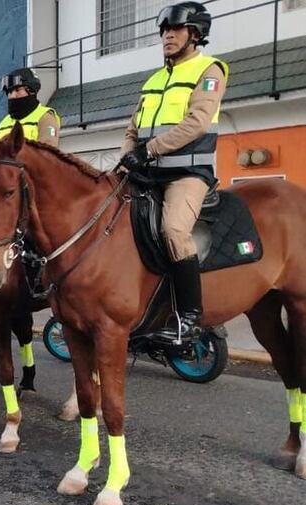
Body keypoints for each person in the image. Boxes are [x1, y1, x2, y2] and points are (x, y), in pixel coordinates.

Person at [120, 2, 226, 345]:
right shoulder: (153, 80)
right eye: (165, 31)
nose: (168, 35)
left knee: (173, 230)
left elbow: (196, 123)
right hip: (148, 175)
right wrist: (127, 158)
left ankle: (190, 318)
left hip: (187, 174)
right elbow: (132, 130)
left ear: (194, 35)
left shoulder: (209, 71)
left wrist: (148, 151)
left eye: (176, 30)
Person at [0, 67, 61, 147]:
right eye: (9, 92)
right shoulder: (3, 123)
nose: (13, 95)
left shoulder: (45, 118)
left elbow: (48, 151)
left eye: (18, 90)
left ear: (31, 91)